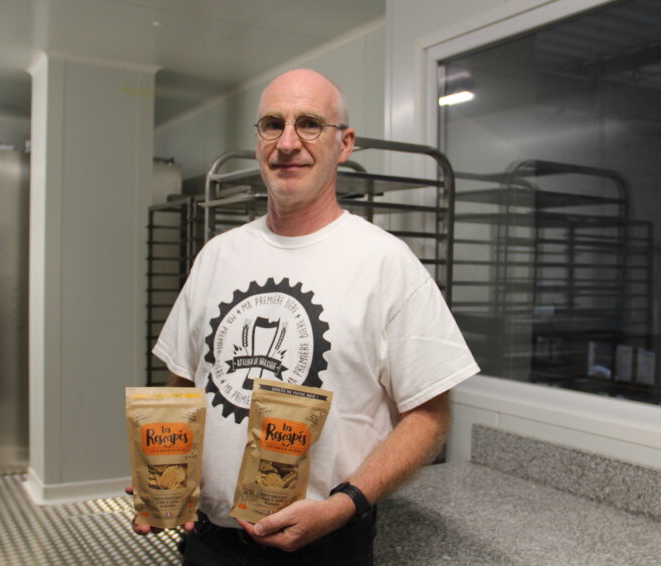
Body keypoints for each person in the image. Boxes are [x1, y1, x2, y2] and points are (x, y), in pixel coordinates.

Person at [136, 68, 479, 565]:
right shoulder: (217, 255)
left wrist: (347, 504)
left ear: (345, 143)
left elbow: (430, 416)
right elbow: (185, 382)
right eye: (272, 124)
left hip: (326, 545)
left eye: (310, 124)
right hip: (210, 542)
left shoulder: (385, 262)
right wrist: (164, 475)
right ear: (258, 140)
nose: (288, 142)